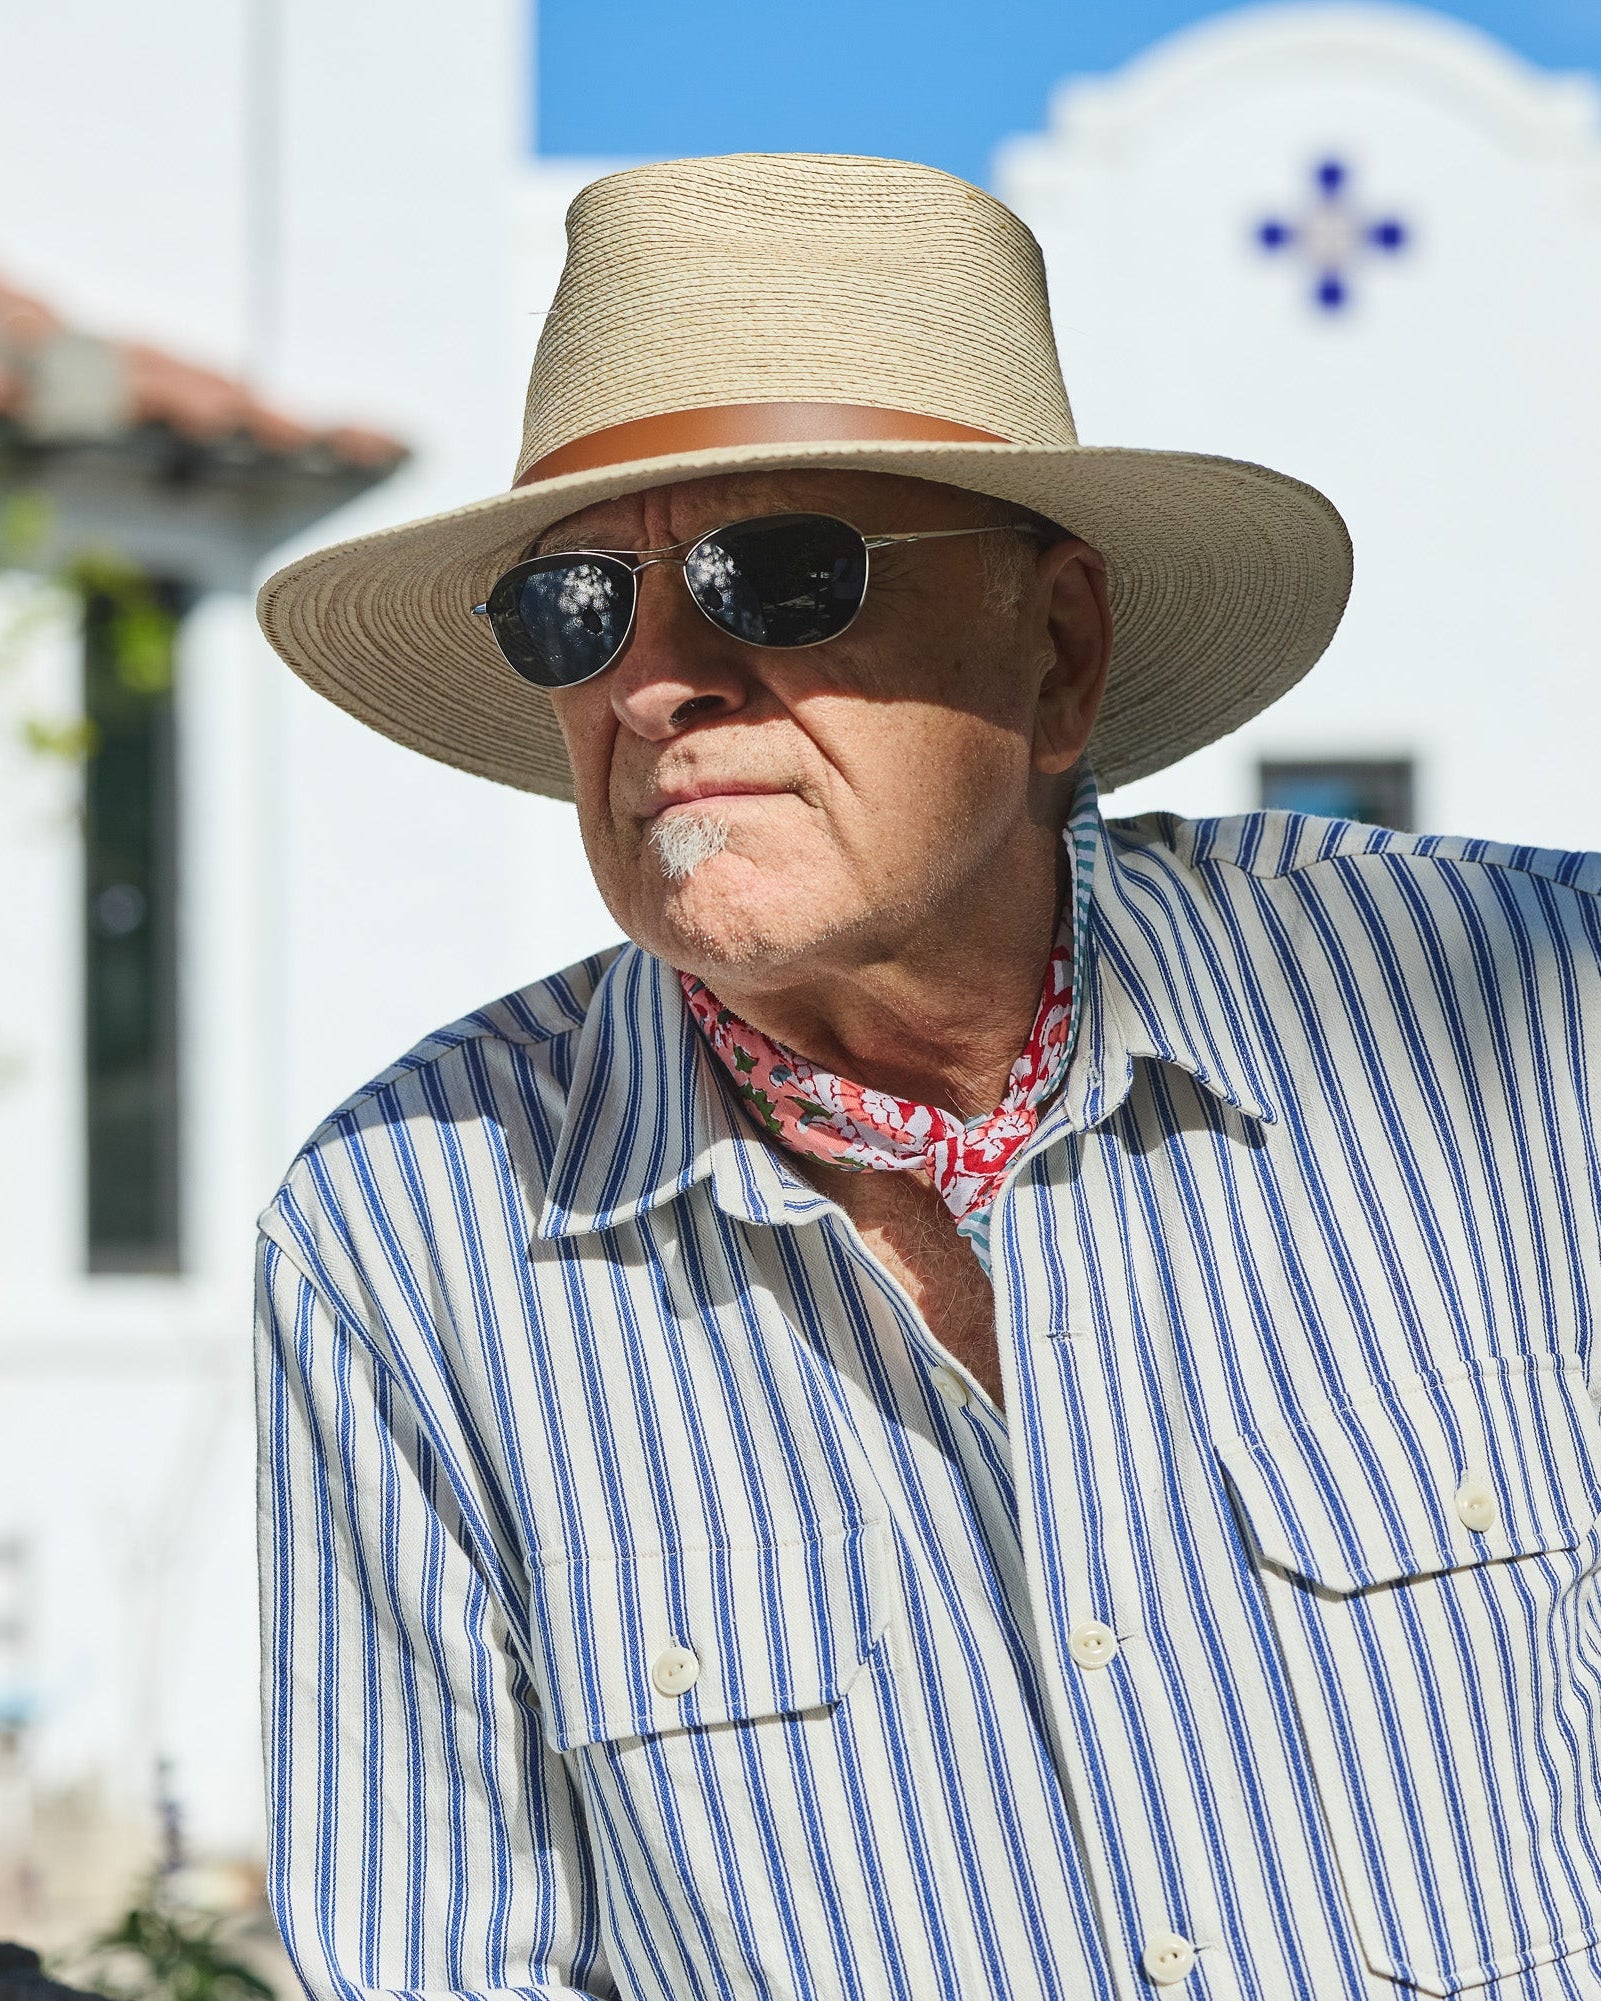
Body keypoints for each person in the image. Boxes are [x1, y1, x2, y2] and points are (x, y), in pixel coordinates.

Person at [253, 153, 1601, 2001]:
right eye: (575, 607)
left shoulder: (1541, 1035)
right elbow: (441, 1964)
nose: (655, 685)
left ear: (1058, 649)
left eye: (778, 575)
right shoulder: (403, 1242)